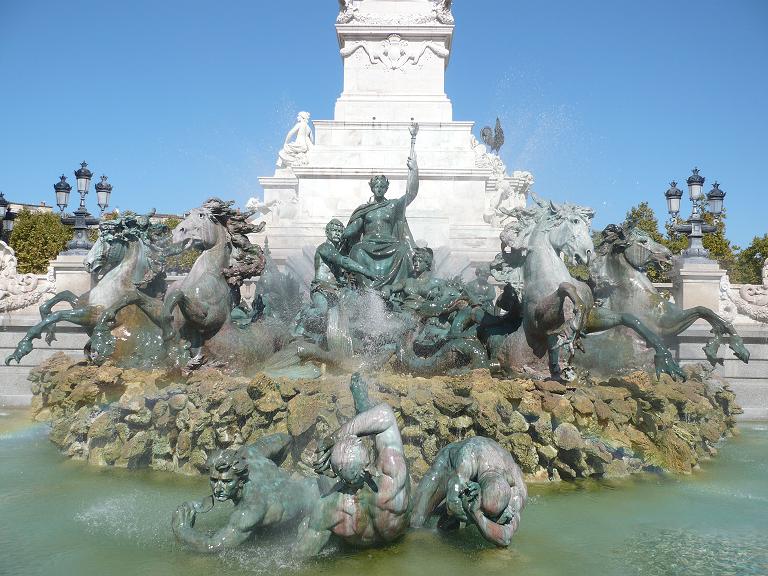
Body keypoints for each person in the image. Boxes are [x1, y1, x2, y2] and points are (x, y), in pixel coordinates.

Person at [294, 373, 410, 556]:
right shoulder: (393, 473)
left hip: (358, 546)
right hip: (396, 534)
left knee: (319, 486)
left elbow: (299, 557)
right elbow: (386, 414)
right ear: (368, 465)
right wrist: (335, 437)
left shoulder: (327, 507)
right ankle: (363, 405)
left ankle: (361, 408)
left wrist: (309, 526)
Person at [172, 433, 323, 553]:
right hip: (307, 484)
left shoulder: (251, 509)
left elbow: (215, 545)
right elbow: (285, 439)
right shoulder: (249, 453)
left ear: (241, 481)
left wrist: (182, 529)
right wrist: (273, 472)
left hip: (313, 507)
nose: (218, 488)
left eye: (227, 482)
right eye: (214, 480)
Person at [410, 436, 527, 547]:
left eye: (493, 516)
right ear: (479, 488)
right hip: (448, 463)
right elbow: (452, 503)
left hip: (476, 481)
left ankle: (444, 528)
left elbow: (505, 539)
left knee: (447, 528)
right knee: (417, 518)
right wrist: (475, 511)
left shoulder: (518, 493)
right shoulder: (469, 456)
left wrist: (477, 513)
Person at [342, 123, 420, 289]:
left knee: (402, 250)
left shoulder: (393, 205)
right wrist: (342, 233)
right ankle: (367, 289)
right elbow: (354, 229)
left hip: (389, 243)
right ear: (372, 188)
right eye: (376, 186)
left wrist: (414, 170)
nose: (379, 188)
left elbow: (411, 193)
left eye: (382, 186)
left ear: (386, 188)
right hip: (368, 243)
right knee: (356, 251)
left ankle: (396, 288)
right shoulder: (364, 210)